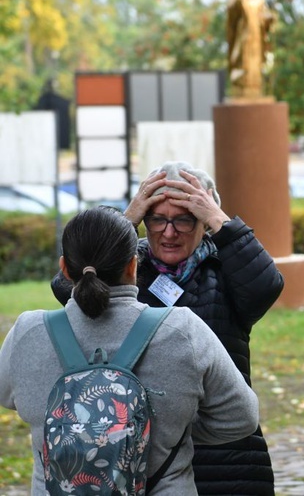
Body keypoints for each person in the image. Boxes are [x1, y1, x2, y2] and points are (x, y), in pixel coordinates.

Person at [51, 161, 284, 495]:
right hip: (139, 457)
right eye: (157, 218)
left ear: (204, 221)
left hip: (225, 458)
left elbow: (266, 286)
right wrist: (123, 221)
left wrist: (218, 217)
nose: (169, 232)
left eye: (184, 219)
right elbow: (67, 289)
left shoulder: (225, 269)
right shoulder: (124, 273)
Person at [0, 206, 260, 495]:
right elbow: (242, 417)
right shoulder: (182, 330)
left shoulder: (28, 332)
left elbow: (6, 394)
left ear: (64, 269)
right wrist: (165, 431)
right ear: (133, 266)